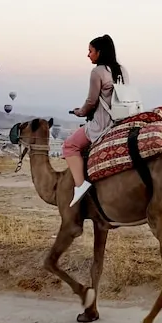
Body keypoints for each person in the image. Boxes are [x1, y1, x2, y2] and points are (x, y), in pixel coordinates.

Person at [63, 35, 125, 207]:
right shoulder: (122, 70)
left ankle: (80, 185)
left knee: (69, 146)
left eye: (90, 51)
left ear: (100, 52)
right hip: (122, 121)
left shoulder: (97, 72)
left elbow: (91, 102)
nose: (88, 55)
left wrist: (80, 112)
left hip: (103, 124)